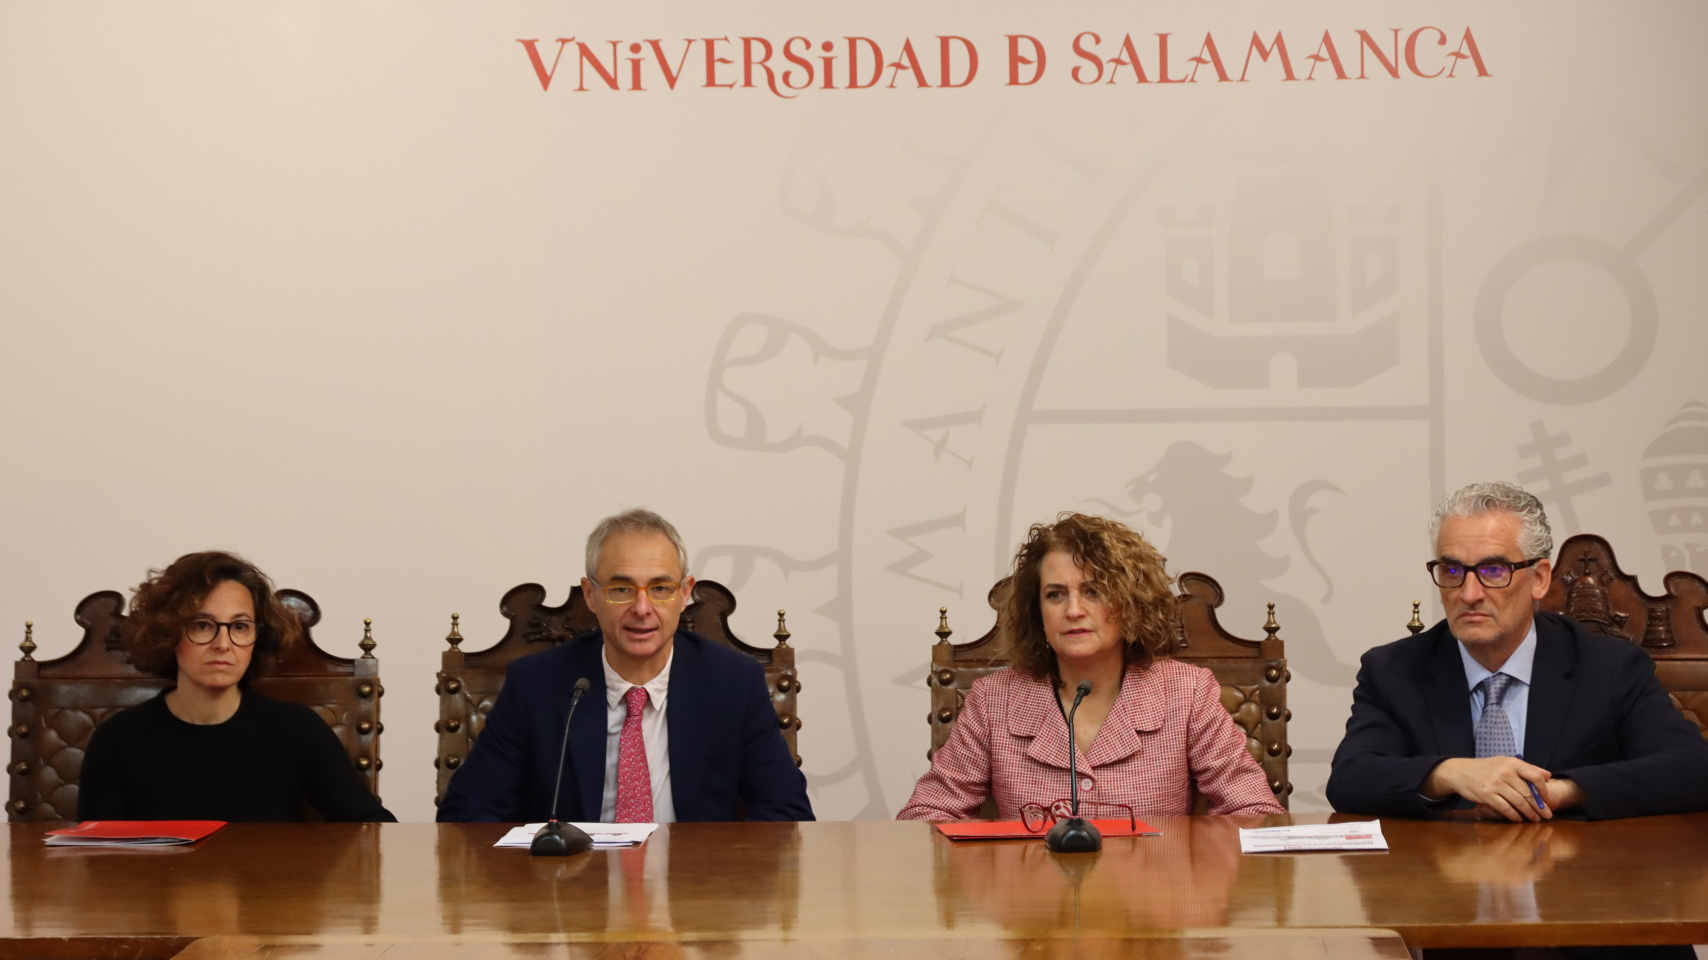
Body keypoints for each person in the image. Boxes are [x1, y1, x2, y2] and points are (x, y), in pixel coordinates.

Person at [1328, 481, 1708, 822]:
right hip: (1444, 872)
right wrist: (1449, 773)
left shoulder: (1610, 667)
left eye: (1494, 570)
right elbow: (1348, 779)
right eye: (1452, 571)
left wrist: (1561, 792)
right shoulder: (1394, 670)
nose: (1469, 594)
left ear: (1539, 579)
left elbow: (1693, 770)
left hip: (1573, 873)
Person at [898, 512, 1284, 822]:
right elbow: (925, 815)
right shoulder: (993, 700)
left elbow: (1254, 810)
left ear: (1130, 603)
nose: (1073, 610)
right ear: (1037, 612)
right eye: (1055, 595)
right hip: (1033, 896)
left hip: (1155, 894)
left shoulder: (1187, 692)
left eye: (1093, 591)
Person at [437, 508, 813, 823]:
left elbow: (786, 812)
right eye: (621, 589)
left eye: (660, 588)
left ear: (684, 593)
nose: (642, 608)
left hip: (695, 883)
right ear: (591, 595)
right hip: (570, 885)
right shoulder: (535, 684)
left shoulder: (734, 684)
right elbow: (466, 814)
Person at [78, 551, 395, 822]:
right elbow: (94, 858)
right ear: (169, 635)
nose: (223, 644)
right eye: (203, 625)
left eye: (240, 626)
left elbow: (372, 830)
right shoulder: (117, 740)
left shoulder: (298, 730)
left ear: (256, 638)